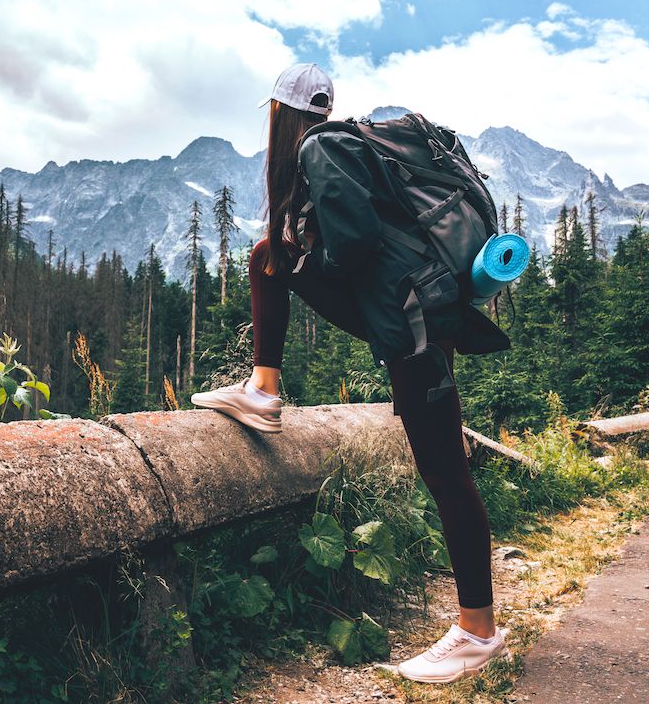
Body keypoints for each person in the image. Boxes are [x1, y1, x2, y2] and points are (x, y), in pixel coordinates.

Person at [191, 63, 511, 684]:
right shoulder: (347, 145)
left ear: (280, 115)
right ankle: (263, 387)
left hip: (413, 325)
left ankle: (477, 629)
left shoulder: (318, 148)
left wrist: (316, 258)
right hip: (422, 317)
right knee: (267, 257)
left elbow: (357, 242)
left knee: (446, 473)